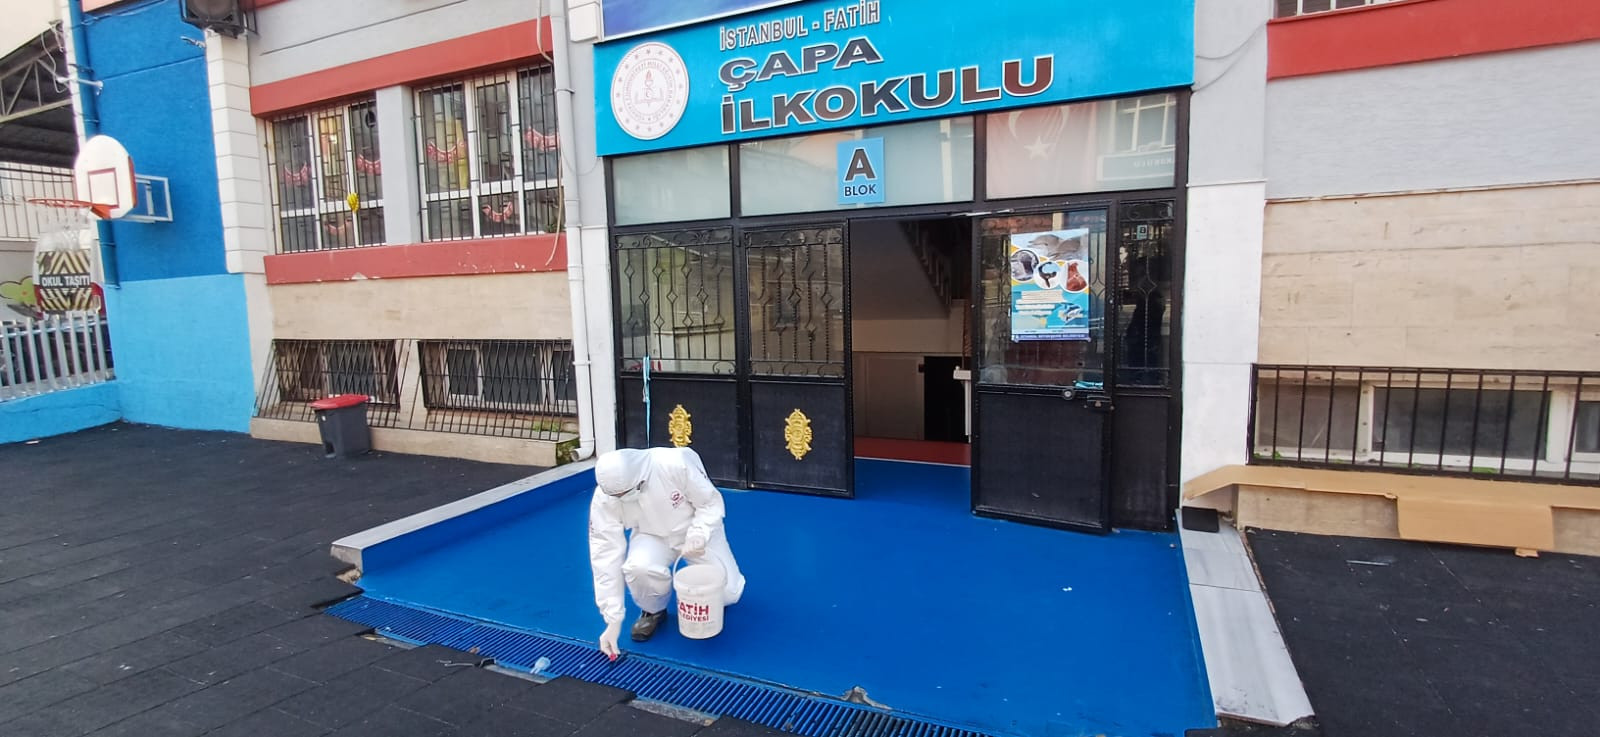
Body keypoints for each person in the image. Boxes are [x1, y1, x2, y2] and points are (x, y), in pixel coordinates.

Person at [588, 447, 746, 659]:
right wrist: (612, 619)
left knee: (728, 593)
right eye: (618, 496)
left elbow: (709, 503)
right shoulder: (605, 497)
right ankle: (653, 610)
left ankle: (716, 594)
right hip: (651, 534)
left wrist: (699, 534)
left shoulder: (674, 463)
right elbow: (604, 552)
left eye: (627, 492)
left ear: (640, 476)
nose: (622, 498)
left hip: (695, 528)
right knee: (639, 568)